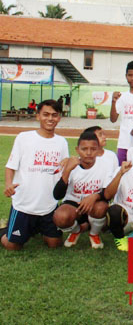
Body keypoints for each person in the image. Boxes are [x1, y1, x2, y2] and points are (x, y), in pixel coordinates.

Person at [1, 100, 69, 250]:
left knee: (54, 244)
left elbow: (62, 172)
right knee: (12, 246)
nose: (50, 118)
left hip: (49, 205)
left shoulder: (62, 142)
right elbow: (10, 166)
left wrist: (69, 163)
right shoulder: (24, 138)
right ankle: (4, 231)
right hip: (24, 205)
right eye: (45, 114)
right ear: (38, 116)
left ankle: (36, 229)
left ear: (59, 118)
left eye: (54, 115)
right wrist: (8, 184)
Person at [52, 131, 109, 249]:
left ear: (98, 150)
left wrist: (94, 196)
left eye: (93, 149)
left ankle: (94, 234)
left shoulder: (105, 165)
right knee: (61, 216)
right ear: (77, 150)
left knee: (101, 207)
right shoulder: (70, 164)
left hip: (94, 204)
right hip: (73, 204)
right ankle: (76, 231)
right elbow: (57, 195)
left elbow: (108, 193)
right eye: (84, 149)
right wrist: (67, 171)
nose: (88, 153)